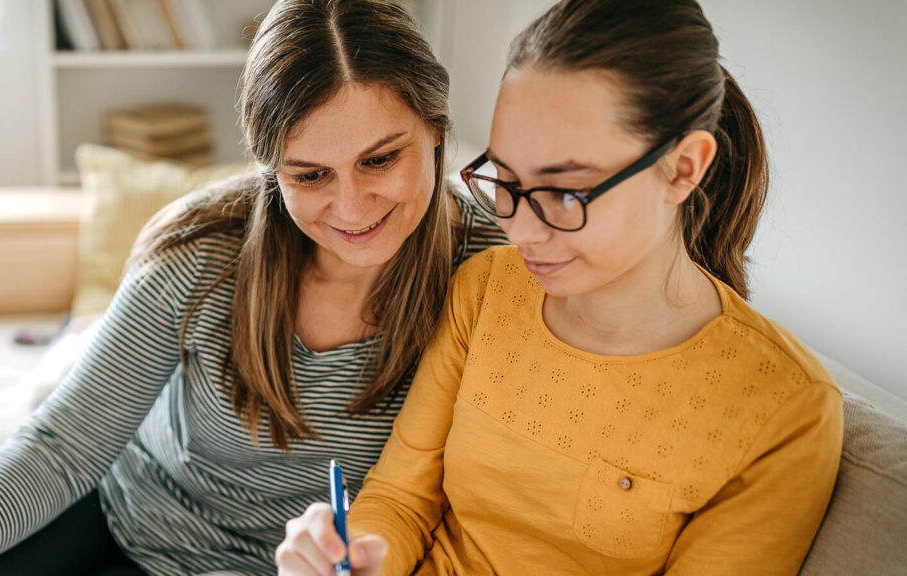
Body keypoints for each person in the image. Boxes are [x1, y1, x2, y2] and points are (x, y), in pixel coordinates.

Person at [0, 1, 505, 575]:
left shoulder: (493, 273)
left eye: (379, 160)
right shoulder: (200, 252)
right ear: (271, 171)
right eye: (310, 174)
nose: (351, 206)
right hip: (129, 528)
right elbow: (64, 445)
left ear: (435, 129)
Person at [275, 0, 844, 574]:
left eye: (566, 192)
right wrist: (356, 559)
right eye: (506, 180)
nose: (518, 231)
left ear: (683, 167)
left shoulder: (786, 409)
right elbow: (400, 500)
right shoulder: (485, 290)